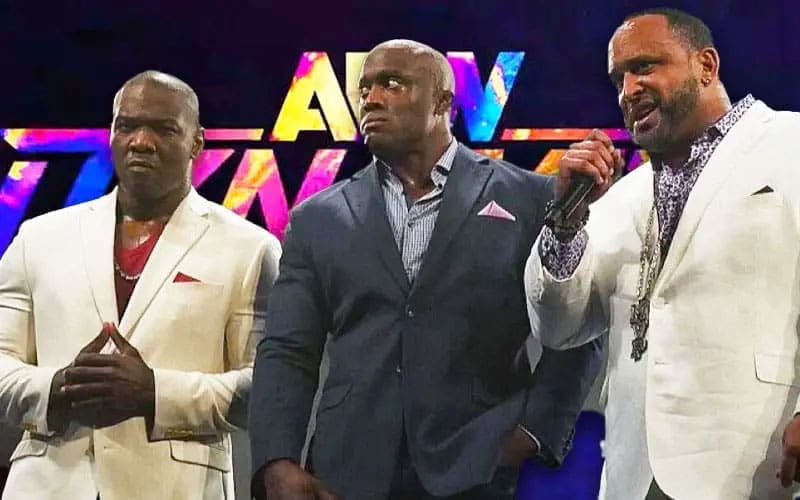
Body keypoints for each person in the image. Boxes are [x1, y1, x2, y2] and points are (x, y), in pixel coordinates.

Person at [249, 39, 603, 500]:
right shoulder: (317, 217)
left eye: (392, 84)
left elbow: (579, 328)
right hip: (346, 470)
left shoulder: (530, 198)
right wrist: (276, 460)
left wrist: (535, 431)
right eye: (365, 89)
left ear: (442, 102)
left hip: (476, 469)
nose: (371, 99)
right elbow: (287, 349)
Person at [524, 8, 800, 499]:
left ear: (705, 66)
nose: (628, 91)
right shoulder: (625, 195)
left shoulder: (789, 144)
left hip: (755, 462)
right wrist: (565, 221)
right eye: (619, 79)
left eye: (645, 67)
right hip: (636, 472)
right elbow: (559, 327)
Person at [0, 70, 281, 499]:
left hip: (176, 488)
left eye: (164, 129)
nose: (141, 142)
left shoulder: (250, 248)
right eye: (127, 126)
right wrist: (57, 388)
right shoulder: (39, 237)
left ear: (197, 143)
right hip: (48, 485)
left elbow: (266, 386)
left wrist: (155, 393)